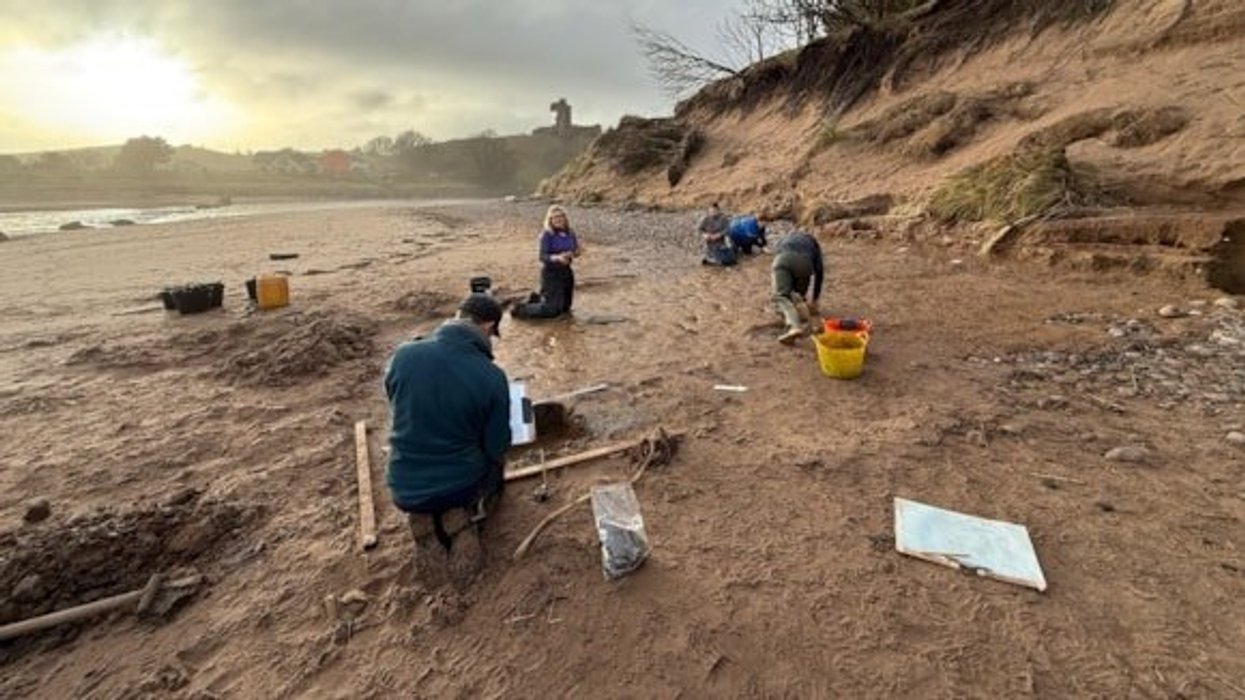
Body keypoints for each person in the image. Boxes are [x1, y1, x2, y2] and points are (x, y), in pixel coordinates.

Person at [385, 293, 511, 577]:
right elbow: (497, 446)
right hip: (461, 484)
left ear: (457, 315)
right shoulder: (491, 376)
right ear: (489, 327)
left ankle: (424, 517)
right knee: (496, 465)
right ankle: (467, 515)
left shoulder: (403, 355)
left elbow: (395, 405)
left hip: (403, 486)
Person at [511, 205, 580, 319]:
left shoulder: (570, 232)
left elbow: (575, 250)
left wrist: (575, 253)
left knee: (565, 308)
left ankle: (537, 298)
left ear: (565, 218)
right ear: (550, 220)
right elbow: (542, 256)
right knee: (551, 310)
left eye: (561, 216)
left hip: (566, 272)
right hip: (551, 273)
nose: (558, 219)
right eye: (555, 217)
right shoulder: (547, 234)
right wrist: (557, 258)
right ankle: (520, 308)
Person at [771, 230, 825, 344]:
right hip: (805, 264)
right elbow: (819, 272)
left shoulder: (785, 238)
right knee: (798, 295)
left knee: (781, 297)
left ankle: (794, 326)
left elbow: (777, 255)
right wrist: (815, 299)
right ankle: (808, 322)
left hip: (783, 259)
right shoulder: (812, 242)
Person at [698, 202, 737, 266]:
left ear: (718, 210)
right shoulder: (706, 219)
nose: (712, 212)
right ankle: (711, 259)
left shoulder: (723, 219)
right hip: (710, 244)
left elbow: (728, 230)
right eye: (710, 211)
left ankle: (718, 259)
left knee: (729, 261)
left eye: (714, 211)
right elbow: (700, 229)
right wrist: (705, 235)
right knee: (714, 257)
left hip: (722, 243)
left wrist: (719, 235)